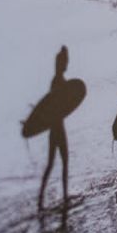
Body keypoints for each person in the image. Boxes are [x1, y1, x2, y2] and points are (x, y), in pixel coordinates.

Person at [39, 46, 73, 211]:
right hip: (57, 128)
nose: (67, 64)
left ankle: (42, 199)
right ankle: (63, 196)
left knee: (54, 163)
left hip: (56, 127)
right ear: (61, 64)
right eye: (65, 61)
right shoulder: (59, 81)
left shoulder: (56, 80)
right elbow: (57, 105)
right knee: (59, 162)